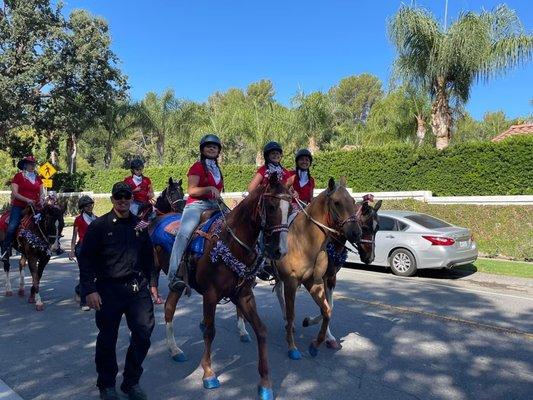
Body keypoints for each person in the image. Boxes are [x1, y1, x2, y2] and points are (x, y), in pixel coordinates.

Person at [79, 182, 155, 400]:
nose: (123, 201)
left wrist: (152, 284)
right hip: (108, 289)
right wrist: (89, 290)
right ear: (112, 199)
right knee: (108, 338)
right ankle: (107, 385)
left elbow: (149, 256)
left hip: (136, 288)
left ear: (131, 199)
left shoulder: (140, 225)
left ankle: (131, 382)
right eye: (118, 197)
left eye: (126, 197)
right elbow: (85, 260)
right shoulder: (99, 226)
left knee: (143, 332)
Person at [167, 134, 223, 292]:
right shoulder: (197, 166)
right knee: (184, 234)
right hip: (197, 205)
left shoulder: (217, 169)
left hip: (215, 205)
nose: (212, 148)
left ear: (218, 151)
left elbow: (217, 191)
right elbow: (191, 190)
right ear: (202, 149)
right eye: (208, 146)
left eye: (215, 146)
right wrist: (208, 189)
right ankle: (174, 275)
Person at [1, 155, 44, 261]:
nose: (32, 166)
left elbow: (41, 192)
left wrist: (42, 199)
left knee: (47, 222)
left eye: (33, 164)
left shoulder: (38, 178)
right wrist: (27, 200)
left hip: (35, 206)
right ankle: (5, 250)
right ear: (25, 165)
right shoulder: (18, 176)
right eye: (30, 164)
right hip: (19, 206)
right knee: (12, 226)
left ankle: (51, 245)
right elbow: (15, 193)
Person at [69, 195, 97, 311]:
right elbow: (74, 235)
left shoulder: (96, 218)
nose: (90, 207)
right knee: (85, 273)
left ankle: (78, 290)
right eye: (87, 205)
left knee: (95, 273)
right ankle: (84, 301)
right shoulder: (78, 220)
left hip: (95, 248)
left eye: (91, 204)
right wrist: (71, 250)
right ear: (82, 207)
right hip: (82, 247)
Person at [287, 148, 315, 214]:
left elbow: (311, 198)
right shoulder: (290, 174)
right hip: (290, 206)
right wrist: (290, 192)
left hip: (305, 207)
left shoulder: (311, 180)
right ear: (297, 162)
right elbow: (284, 188)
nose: (304, 162)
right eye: (302, 159)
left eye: (307, 160)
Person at [44, 190, 65, 255]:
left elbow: (60, 211)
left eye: (54, 197)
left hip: (55, 220)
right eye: (51, 197)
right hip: (47, 219)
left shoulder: (57, 204)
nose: (52, 199)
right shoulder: (46, 202)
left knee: (58, 229)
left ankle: (57, 246)